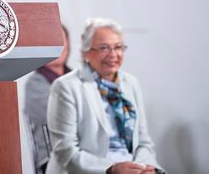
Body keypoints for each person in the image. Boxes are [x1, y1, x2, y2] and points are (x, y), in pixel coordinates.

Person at [46, 18, 165, 174]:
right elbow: (66, 152)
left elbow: (143, 141)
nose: (113, 54)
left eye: (118, 47)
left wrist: (147, 168)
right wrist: (111, 170)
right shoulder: (66, 87)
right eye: (104, 48)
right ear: (85, 52)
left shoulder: (131, 83)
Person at [24, 25, 72, 174]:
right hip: (53, 160)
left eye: (62, 40)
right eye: (52, 40)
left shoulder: (78, 78)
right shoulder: (35, 83)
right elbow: (56, 116)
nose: (59, 45)